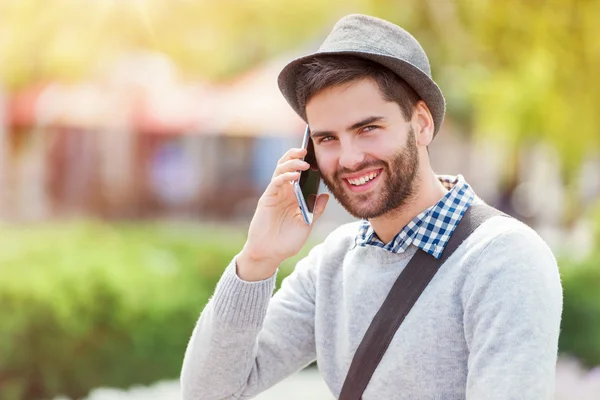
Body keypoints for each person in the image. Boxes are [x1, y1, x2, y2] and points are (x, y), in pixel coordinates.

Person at [181, 14, 562, 400]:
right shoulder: (332, 264)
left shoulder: (504, 261)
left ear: (422, 124)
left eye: (368, 128)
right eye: (327, 138)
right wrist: (258, 259)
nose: (348, 159)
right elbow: (207, 393)